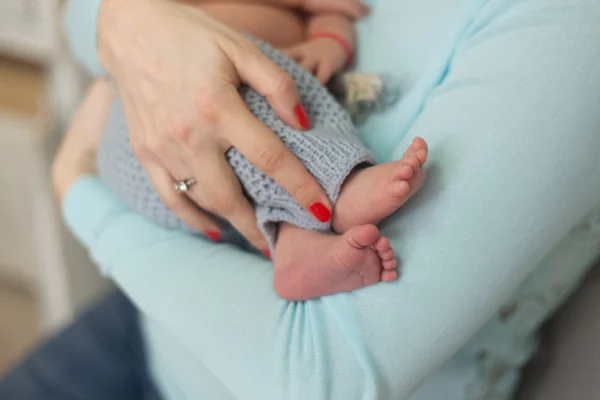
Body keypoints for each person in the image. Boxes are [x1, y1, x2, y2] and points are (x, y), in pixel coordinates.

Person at [2, 0, 600, 399]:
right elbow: (84, 20)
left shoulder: (570, 28)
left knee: (274, 87)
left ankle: (312, 214)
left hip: (209, 316)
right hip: (148, 319)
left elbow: (321, 378)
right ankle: (310, 216)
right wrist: (129, 24)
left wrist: (81, 195)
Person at [98, 0, 429, 299]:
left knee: (268, 103)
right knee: (235, 59)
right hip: (149, 127)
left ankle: (293, 244)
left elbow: (335, 13)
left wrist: (327, 43)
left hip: (204, 177)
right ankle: (340, 186)